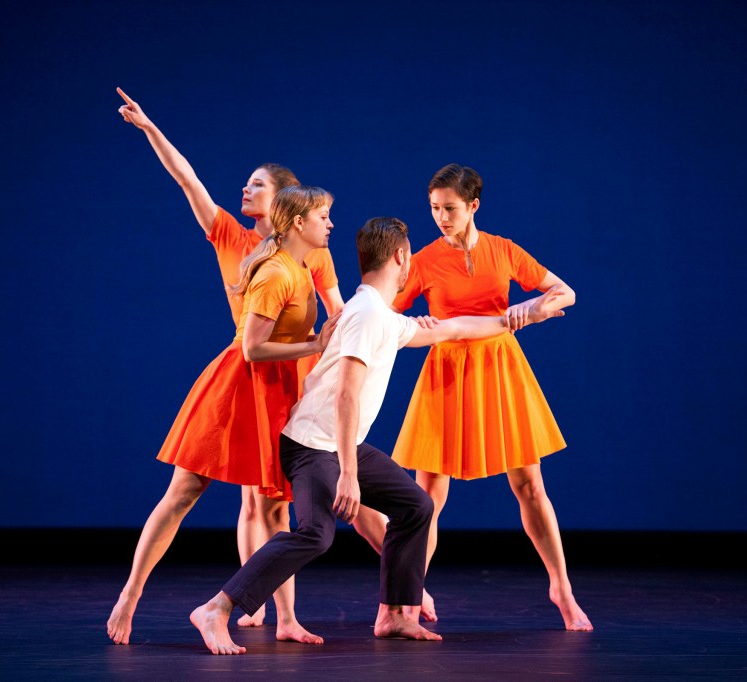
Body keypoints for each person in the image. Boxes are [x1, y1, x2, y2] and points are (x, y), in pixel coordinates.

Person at [188, 216, 568, 654]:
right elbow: (346, 395)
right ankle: (217, 608)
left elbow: (454, 329)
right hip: (313, 446)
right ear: (402, 258)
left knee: (416, 506)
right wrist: (349, 473)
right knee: (317, 533)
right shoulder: (368, 316)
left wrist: (522, 317)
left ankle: (393, 613)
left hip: (339, 444)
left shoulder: (379, 314)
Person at [107, 88, 353, 645]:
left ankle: (285, 617)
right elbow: (187, 178)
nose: (245, 188)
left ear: (285, 201)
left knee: (273, 505)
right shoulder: (230, 235)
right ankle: (131, 593)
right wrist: (150, 129)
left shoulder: (312, 248)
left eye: (257, 183)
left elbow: (337, 314)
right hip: (242, 376)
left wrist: (346, 357)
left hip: (290, 382)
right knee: (185, 489)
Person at [390, 163, 593, 631]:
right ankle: (408, 594)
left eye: (450, 208)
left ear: (473, 206)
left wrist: (534, 307)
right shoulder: (423, 261)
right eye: (435, 209)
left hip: (500, 370)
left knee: (530, 484)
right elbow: (382, 310)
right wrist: (411, 324)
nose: (441, 217)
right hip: (446, 372)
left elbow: (567, 293)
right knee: (429, 496)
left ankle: (560, 586)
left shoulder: (503, 251)